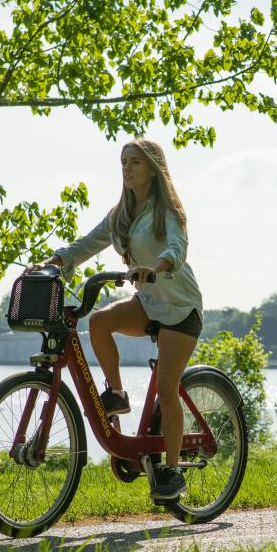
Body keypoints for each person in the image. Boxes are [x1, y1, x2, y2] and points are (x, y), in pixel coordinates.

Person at [38, 137, 202, 500]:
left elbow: (178, 247)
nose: (127, 169)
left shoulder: (167, 211)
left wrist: (155, 267)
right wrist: (57, 262)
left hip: (179, 309)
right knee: (98, 322)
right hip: (147, 303)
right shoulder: (120, 215)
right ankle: (117, 393)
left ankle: (172, 472)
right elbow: (87, 244)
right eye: (123, 162)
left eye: (135, 163)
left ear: (153, 169)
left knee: (167, 387)